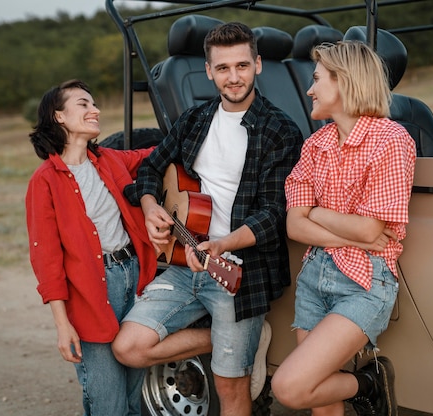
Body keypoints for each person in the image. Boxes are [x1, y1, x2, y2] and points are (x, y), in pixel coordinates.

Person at [111, 22, 303, 415]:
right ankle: (226, 338)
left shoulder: (280, 130)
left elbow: (274, 214)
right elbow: (149, 169)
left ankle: (239, 339)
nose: (234, 78)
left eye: (242, 66)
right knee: (128, 348)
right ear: (209, 70)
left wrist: (223, 244)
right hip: (184, 263)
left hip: (239, 274)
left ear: (258, 65)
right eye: (223, 68)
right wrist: (150, 207)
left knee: (229, 388)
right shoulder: (195, 120)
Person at [271, 41, 416, 416]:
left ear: (345, 82)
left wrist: (315, 213)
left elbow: (369, 231)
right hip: (315, 278)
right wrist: (329, 221)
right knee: (320, 399)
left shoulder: (390, 141)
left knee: (291, 387)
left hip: (364, 281)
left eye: (317, 79)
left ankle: (368, 382)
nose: (309, 89)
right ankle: (365, 385)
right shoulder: (315, 145)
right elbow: (295, 225)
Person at [25, 79, 158, 416]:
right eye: (83, 104)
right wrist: (62, 324)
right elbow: (46, 259)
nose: (94, 109)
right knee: (109, 404)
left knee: (134, 397)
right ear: (58, 116)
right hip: (91, 292)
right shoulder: (45, 180)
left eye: (94, 103)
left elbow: (155, 154)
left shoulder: (110, 160)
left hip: (136, 278)